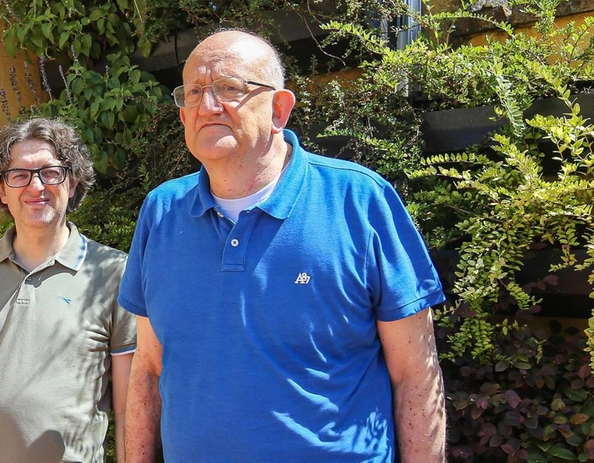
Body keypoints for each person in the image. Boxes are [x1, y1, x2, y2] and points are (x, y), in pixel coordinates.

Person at [119, 30, 447, 463]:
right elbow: (148, 367)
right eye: (194, 92)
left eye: (229, 89)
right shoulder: (161, 211)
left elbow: (416, 374)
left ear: (279, 109)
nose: (207, 106)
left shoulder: (359, 201)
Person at [0, 117, 137, 463]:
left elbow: (130, 404)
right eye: (19, 175)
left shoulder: (114, 272)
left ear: (73, 181)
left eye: (50, 172)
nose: (36, 187)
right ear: (2, 190)